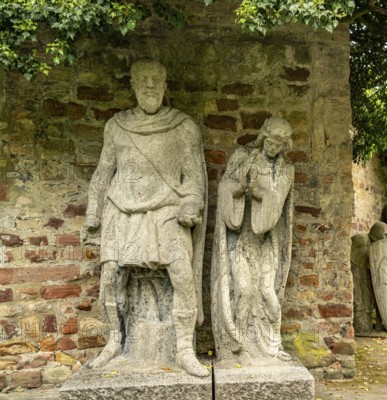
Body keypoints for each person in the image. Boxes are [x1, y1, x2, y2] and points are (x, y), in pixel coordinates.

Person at [82, 59, 209, 376]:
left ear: (165, 86)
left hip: (167, 209)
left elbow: (194, 179)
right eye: (143, 80)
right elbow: (102, 173)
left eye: (156, 80)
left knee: (182, 274)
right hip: (121, 209)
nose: (150, 85)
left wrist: (191, 203)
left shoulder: (183, 127)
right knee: (110, 277)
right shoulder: (116, 126)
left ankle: (184, 348)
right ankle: (114, 341)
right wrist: (92, 213)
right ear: (134, 86)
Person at [211, 117, 294, 365]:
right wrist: (239, 188)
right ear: (262, 137)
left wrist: (258, 192)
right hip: (241, 240)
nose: (273, 147)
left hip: (266, 242)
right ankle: (237, 347)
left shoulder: (286, 169)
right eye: (270, 141)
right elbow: (225, 188)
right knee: (244, 291)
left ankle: (272, 344)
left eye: (279, 144)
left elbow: (276, 202)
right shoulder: (242, 156)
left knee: (268, 293)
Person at [351, 222, 387, 333]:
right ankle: (361, 327)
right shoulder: (362, 241)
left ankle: (367, 325)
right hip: (356, 274)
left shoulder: (374, 243)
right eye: (385, 234)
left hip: (364, 275)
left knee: (367, 301)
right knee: (361, 302)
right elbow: (363, 262)